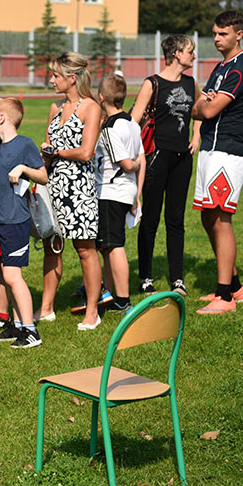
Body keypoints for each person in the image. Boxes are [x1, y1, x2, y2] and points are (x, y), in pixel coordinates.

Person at [191, 10, 243, 315]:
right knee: (208, 217)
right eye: (215, 34)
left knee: (221, 219)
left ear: (238, 34)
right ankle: (235, 288)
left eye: (223, 34)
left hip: (228, 151)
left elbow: (207, 109)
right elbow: (199, 107)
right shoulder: (221, 67)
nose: (216, 39)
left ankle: (225, 298)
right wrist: (204, 104)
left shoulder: (242, 67)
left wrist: (205, 104)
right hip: (210, 148)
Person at [42, 52, 109, 331]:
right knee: (52, 247)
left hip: (79, 188)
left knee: (85, 250)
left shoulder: (90, 107)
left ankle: (92, 311)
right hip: (53, 185)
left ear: (72, 78)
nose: (51, 79)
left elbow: (86, 152)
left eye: (56, 75)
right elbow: (47, 143)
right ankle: (45, 309)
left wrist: (55, 151)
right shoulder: (54, 107)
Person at [130, 35, 201, 296]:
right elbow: (133, 121)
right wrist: (134, 156)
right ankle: (146, 277)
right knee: (150, 219)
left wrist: (196, 135)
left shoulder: (191, 82)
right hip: (156, 156)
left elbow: (198, 110)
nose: (194, 56)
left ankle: (177, 279)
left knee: (176, 220)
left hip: (182, 159)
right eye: (190, 51)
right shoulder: (152, 83)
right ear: (177, 54)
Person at [0, 98, 49, 348]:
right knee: (6, 273)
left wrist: (23, 168)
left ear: (2, 118)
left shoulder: (24, 145)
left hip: (15, 221)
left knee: (13, 276)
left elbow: (42, 176)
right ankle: (18, 324)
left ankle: (31, 331)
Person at [94, 75, 145, 316]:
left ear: (101, 97)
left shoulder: (110, 127)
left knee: (114, 246)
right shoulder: (133, 124)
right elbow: (142, 158)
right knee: (107, 245)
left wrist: (132, 167)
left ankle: (123, 299)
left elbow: (129, 163)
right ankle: (108, 292)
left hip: (110, 191)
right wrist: (137, 194)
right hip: (126, 191)